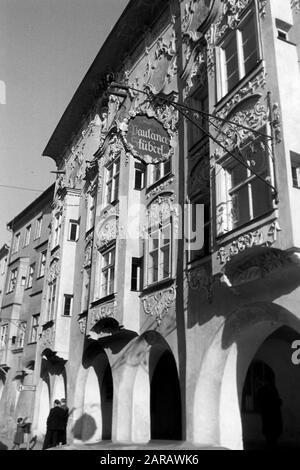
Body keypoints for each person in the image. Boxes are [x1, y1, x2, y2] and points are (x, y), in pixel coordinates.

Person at [257, 375, 283, 449]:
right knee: (270, 434)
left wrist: (278, 402)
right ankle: (271, 445)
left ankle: (272, 445)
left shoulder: (272, 389)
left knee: (273, 434)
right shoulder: (263, 390)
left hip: (273, 414)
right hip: (269, 415)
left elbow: (276, 400)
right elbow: (261, 403)